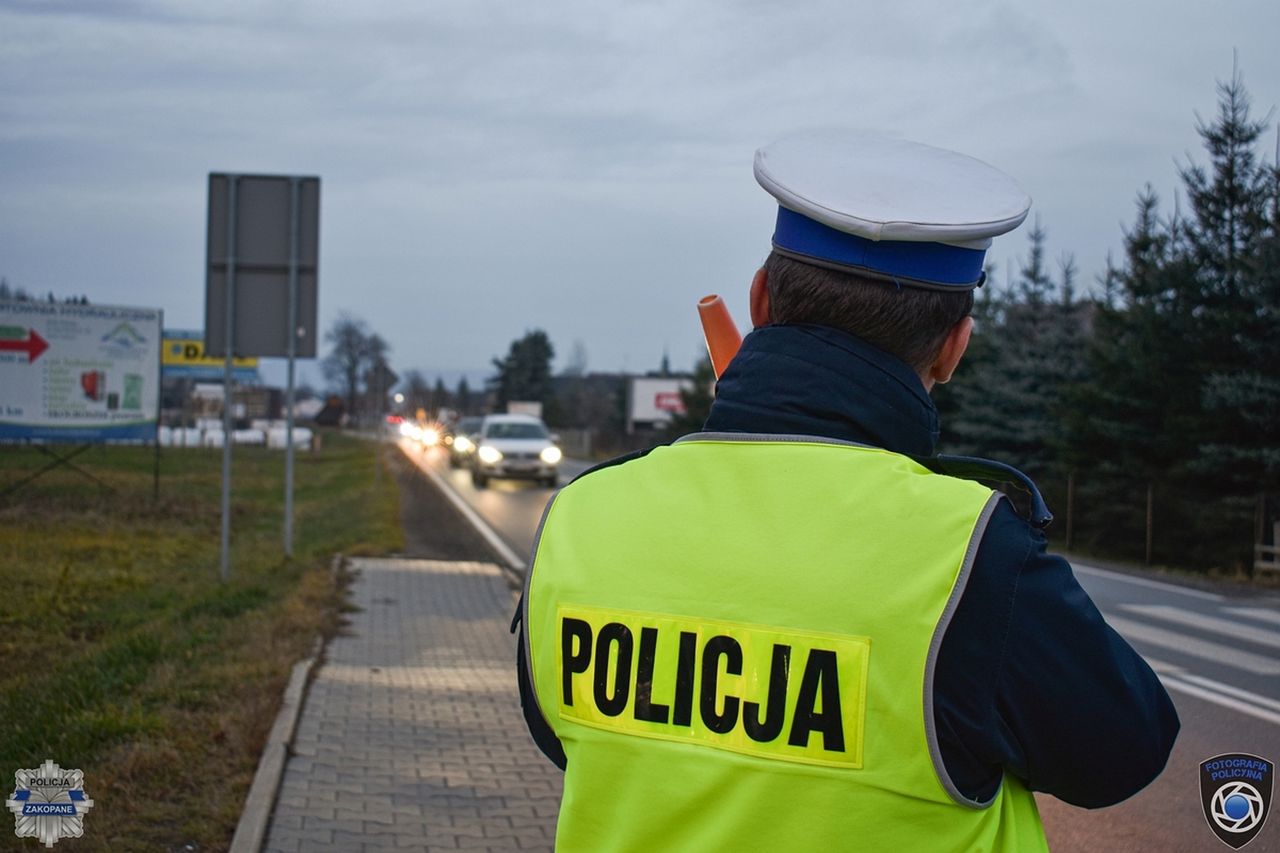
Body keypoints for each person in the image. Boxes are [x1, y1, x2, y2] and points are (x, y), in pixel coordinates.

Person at [514, 131, 1179, 851]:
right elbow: (1123, 751)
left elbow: (562, 733)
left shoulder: (585, 512)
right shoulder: (971, 554)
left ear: (761, 299)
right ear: (955, 346)